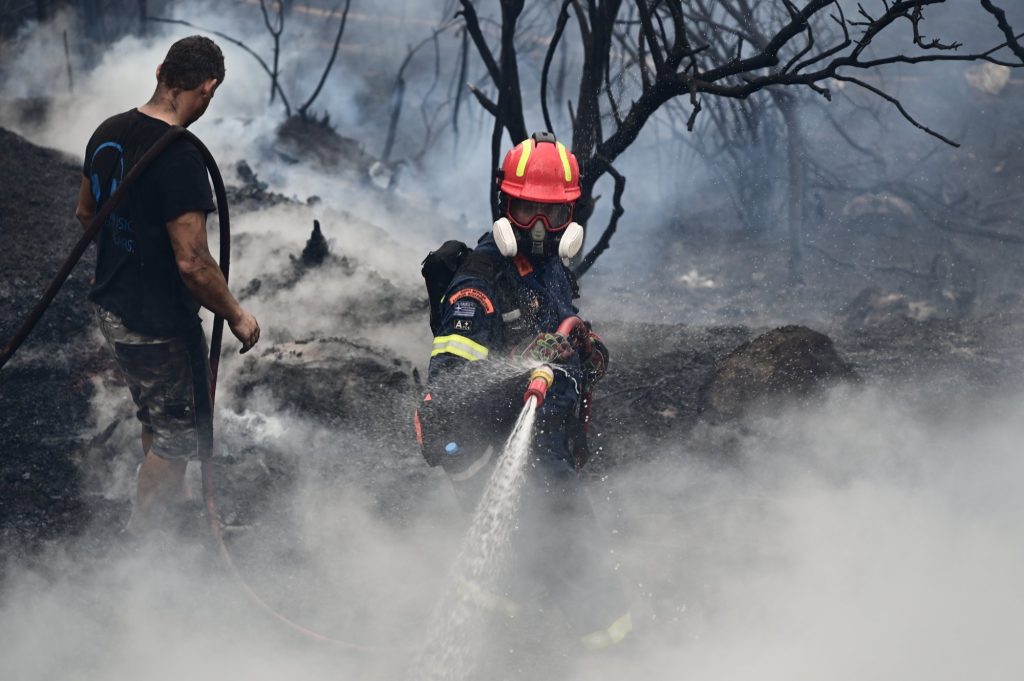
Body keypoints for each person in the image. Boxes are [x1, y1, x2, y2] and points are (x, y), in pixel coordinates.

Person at [417, 132, 631, 651]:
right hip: (510, 456)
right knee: (581, 565)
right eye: (526, 212)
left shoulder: (550, 264)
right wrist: (521, 366)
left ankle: (507, 644)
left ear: (571, 215)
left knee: (519, 569)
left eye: (552, 216)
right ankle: (615, 657)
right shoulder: (478, 286)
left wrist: (580, 343)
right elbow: (452, 389)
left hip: (550, 447)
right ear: (503, 204)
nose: (538, 229)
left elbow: (557, 329)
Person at [74, 36, 260, 534]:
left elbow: (85, 213)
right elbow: (194, 264)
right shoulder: (179, 159)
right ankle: (144, 542)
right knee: (178, 436)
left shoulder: (108, 131)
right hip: (155, 324)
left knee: (158, 416)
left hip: (114, 308)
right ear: (208, 87)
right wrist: (237, 316)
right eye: (211, 95)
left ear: (160, 70)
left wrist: (128, 252)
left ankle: (170, 510)